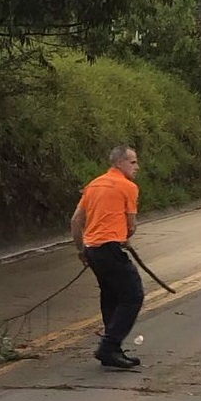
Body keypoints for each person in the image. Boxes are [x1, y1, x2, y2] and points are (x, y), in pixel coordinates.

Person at [70, 146, 144, 369]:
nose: (137, 167)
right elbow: (131, 226)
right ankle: (109, 346)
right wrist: (124, 236)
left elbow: (75, 221)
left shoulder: (93, 185)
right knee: (133, 295)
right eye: (133, 162)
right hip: (110, 248)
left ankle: (112, 350)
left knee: (111, 296)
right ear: (119, 163)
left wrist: (81, 250)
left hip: (93, 250)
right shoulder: (127, 187)